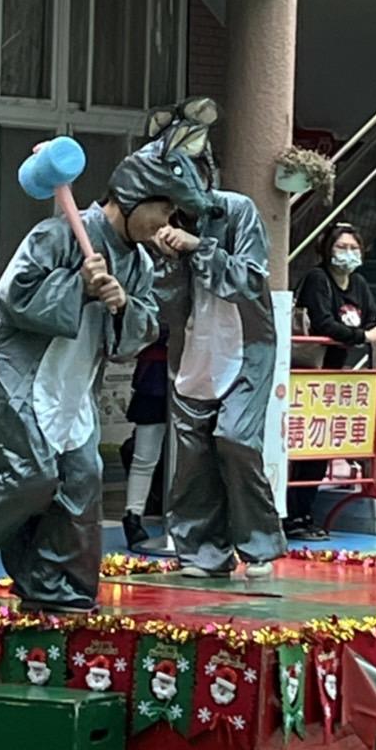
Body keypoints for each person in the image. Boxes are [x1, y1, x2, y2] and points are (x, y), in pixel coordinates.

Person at [0, 124, 212, 613]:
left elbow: (143, 327)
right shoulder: (56, 234)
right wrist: (77, 285)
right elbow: (12, 298)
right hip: (14, 378)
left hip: (73, 387)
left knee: (81, 482)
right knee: (27, 475)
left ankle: (57, 586)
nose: (166, 222)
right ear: (132, 198)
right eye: (163, 210)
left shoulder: (139, 264)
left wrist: (123, 305)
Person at [160, 181, 286, 580]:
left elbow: (249, 278)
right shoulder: (158, 218)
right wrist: (167, 260)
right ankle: (202, 552)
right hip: (192, 348)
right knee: (193, 457)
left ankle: (259, 545)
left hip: (246, 346)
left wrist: (199, 247)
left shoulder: (237, 209)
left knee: (235, 440)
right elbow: (160, 298)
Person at [289, 223, 376, 539]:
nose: (348, 254)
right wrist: (364, 337)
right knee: (302, 448)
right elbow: (324, 323)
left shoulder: (358, 283)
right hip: (307, 377)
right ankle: (292, 516)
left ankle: (305, 514)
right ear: (327, 249)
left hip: (334, 378)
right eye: (341, 247)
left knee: (321, 448)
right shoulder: (317, 279)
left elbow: (372, 319)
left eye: (354, 248)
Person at [122, 329, 169, 549]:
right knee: (144, 455)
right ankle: (133, 516)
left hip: (191, 369)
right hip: (156, 372)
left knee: (146, 457)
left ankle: (133, 516)